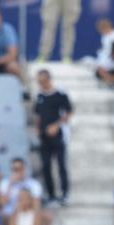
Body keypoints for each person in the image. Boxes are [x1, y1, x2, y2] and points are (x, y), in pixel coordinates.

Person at [34, 69, 73, 205]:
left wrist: (56, 125)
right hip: (44, 137)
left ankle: (65, 193)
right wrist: (37, 129)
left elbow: (68, 113)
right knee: (46, 166)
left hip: (58, 135)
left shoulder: (60, 94)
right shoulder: (39, 96)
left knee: (61, 165)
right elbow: (38, 114)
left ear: (49, 80)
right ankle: (51, 194)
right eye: (39, 81)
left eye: (43, 81)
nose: (41, 84)